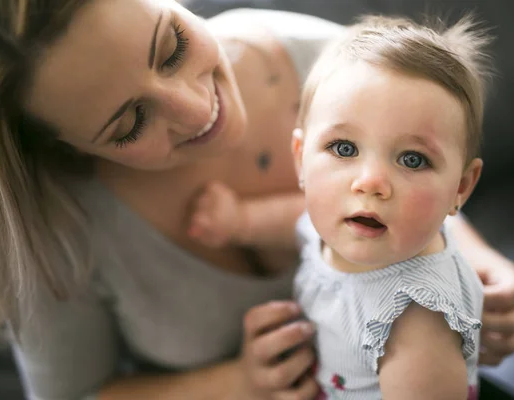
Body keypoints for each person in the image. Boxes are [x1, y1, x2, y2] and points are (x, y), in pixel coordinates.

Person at [0, 1, 514, 399]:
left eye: (172, 47)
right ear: (60, 150)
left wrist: (478, 262)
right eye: (131, 123)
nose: (198, 110)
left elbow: (421, 162)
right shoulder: (47, 229)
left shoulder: (311, 55)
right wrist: (236, 384)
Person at [189, 13, 492, 399]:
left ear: (460, 188)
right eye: (344, 148)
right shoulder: (332, 223)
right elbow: (294, 219)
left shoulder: (416, 321)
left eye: (412, 159)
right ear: (300, 160)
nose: (370, 182)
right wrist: (240, 221)